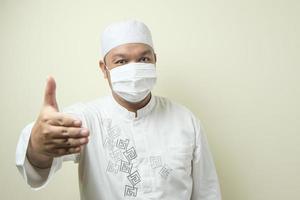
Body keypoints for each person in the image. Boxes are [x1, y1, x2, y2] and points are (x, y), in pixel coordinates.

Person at [16, 19, 222, 200]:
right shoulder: (88, 119)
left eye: (143, 59)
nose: (133, 68)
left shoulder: (185, 121)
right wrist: (37, 144)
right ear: (103, 69)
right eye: (121, 61)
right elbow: (41, 155)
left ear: (154, 60)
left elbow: (207, 193)